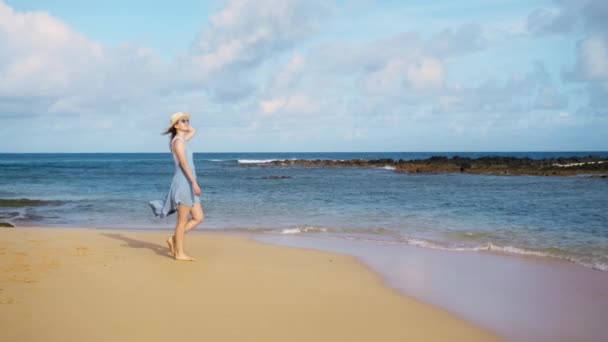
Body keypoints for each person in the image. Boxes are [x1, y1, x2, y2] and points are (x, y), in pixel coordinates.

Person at [149, 112, 204, 261]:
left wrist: (186, 125)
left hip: (189, 183)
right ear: (176, 125)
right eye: (183, 121)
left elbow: (194, 131)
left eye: (187, 120)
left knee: (198, 217)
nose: (187, 123)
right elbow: (183, 164)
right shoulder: (178, 142)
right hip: (184, 183)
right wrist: (194, 183)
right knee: (182, 222)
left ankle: (173, 239)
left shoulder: (183, 139)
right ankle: (179, 253)